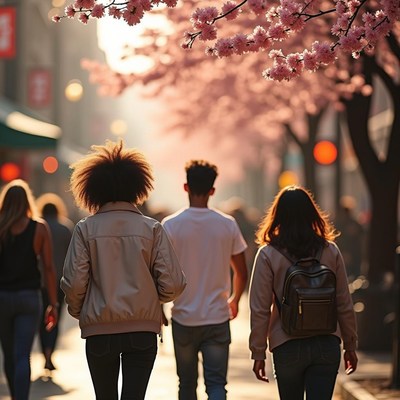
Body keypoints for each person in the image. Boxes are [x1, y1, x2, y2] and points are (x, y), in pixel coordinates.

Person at [60, 140, 186, 400]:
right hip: (142, 329)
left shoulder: (85, 229)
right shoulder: (152, 229)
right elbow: (173, 283)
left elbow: (74, 283)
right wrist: (152, 300)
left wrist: (80, 309)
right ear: (138, 186)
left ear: (92, 189)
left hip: (99, 331)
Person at [249, 185, 358, 400]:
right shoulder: (330, 250)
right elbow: (343, 301)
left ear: (277, 215)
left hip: (287, 344)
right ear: (312, 213)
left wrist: (258, 352)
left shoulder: (268, 254)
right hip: (327, 342)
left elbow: (260, 308)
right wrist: (350, 345)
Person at [162, 159, 248, 400]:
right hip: (217, 317)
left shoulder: (169, 226)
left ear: (185, 187)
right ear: (212, 191)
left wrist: (160, 306)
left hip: (183, 317)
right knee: (217, 384)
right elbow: (242, 271)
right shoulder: (227, 225)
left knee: (186, 384)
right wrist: (235, 299)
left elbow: (158, 273)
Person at [0, 179, 58, 400]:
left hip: (2, 297)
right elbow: (49, 268)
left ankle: (16, 397)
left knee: (8, 354)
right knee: (22, 354)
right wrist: (53, 302)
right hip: (29, 297)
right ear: (27, 201)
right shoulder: (39, 228)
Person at [36, 193, 74, 372]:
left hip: (39, 281)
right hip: (60, 281)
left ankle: (45, 353)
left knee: (41, 320)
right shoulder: (65, 228)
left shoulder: (36, 227)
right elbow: (73, 257)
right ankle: (50, 353)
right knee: (55, 318)